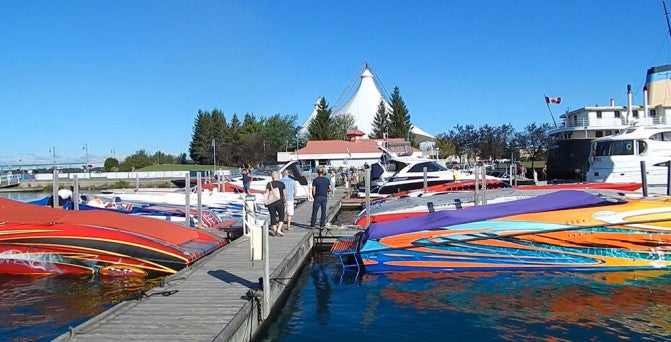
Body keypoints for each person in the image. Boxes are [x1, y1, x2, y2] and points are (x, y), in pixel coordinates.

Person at [265, 171, 286, 236]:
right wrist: (285, 201)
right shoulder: (282, 184)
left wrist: (266, 201)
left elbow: (267, 193)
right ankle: (279, 229)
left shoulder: (269, 184)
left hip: (271, 202)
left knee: (272, 216)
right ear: (278, 177)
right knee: (281, 216)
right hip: (280, 202)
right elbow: (284, 194)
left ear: (272, 177)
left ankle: (274, 230)